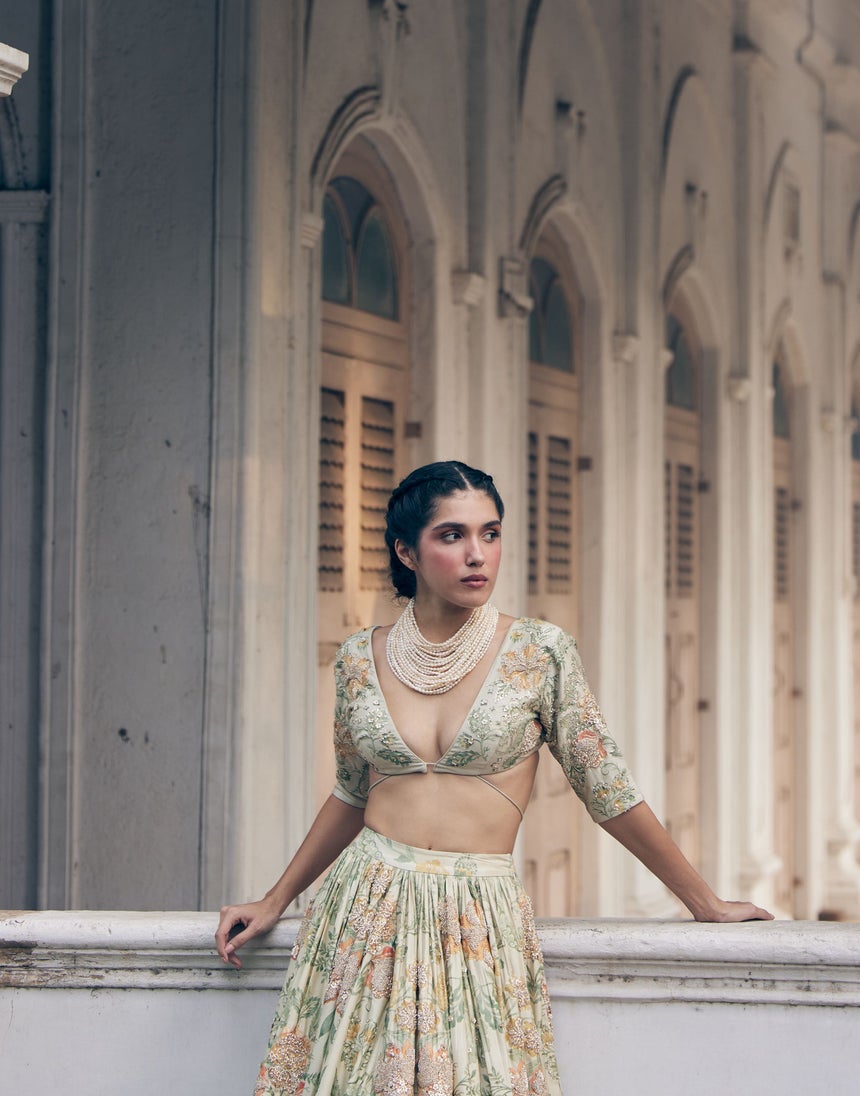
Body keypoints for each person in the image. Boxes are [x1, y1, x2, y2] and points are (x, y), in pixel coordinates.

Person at [217, 460, 771, 1095]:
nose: (478, 554)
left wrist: (702, 902)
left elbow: (608, 791)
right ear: (407, 550)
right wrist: (275, 899)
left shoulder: (539, 652)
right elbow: (350, 792)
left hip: (475, 919)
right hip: (361, 915)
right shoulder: (356, 658)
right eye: (452, 535)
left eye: (491, 533)